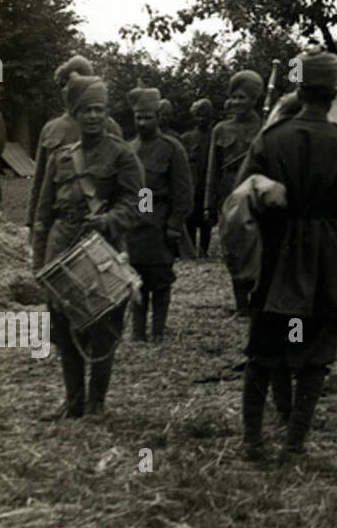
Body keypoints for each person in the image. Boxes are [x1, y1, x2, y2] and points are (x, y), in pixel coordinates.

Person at [239, 51, 337, 461]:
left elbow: (242, 197)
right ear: (334, 95)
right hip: (329, 258)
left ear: (298, 90)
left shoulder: (271, 138)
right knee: (316, 354)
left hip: (278, 257)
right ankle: (294, 444)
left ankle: (253, 442)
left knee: (264, 350)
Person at [31, 74, 144, 420]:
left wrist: (110, 220)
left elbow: (139, 202)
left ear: (107, 112)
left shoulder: (122, 154)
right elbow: (43, 212)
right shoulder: (61, 157)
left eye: (99, 109)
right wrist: (40, 260)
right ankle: (73, 402)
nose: (93, 116)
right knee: (64, 328)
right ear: (74, 113)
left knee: (102, 327)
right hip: (62, 245)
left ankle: (96, 404)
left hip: (102, 247)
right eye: (86, 110)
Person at [27, 54, 125, 233]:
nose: (69, 89)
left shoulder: (109, 127)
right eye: (65, 84)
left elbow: (126, 183)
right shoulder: (51, 129)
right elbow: (40, 182)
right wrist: (33, 222)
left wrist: (138, 218)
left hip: (99, 224)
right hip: (61, 223)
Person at [125, 87, 193, 342]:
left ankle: (158, 331)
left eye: (148, 117)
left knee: (160, 278)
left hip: (159, 223)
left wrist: (175, 224)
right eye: (138, 118)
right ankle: (138, 332)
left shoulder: (171, 148)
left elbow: (183, 192)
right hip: (134, 225)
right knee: (136, 278)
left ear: (158, 117)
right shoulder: (128, 149)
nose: (142, 123)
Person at [205, 70, 265, 316]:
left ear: (254, 99)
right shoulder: (221, 130)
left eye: (242, 97)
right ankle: (241, 305)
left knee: (256, 249)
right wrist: (209, 204)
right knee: (232, 250)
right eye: (234, 97)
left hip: (255, 194)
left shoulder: (265, 127)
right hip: (228, 194)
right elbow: (212, 169)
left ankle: (257, 301)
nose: (236, 103)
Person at [181, 99, 215, 256]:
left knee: (206, 221)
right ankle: (192, 249)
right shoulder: (187, 138)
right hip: (192, 185)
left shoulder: (215, 135)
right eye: (198, 115)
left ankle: (204, 250)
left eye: (205, 115)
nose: (201, 118)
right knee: (191, 219)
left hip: (208, 185)